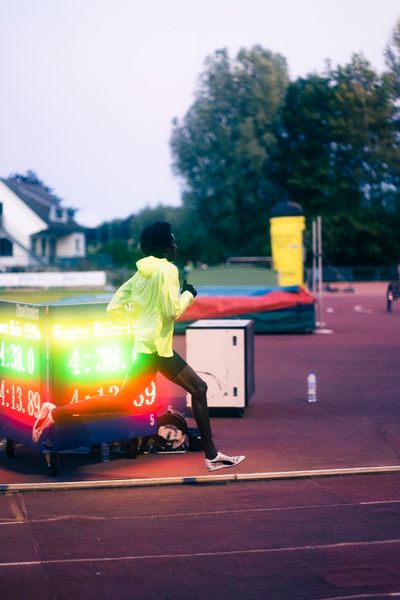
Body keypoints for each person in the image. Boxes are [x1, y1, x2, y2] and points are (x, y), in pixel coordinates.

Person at [32, 221, 245, 472]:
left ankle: (211, 455)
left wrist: (140, 323)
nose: (176, 247)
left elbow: (114, 309)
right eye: (173, 243)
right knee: (185, 390)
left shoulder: (137, 275)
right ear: (164, 248)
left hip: (152, 348)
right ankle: (54, 413)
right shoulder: (167, 270)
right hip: (154, 351)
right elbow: (171, 310)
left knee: (184, 390)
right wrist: (188, 294)